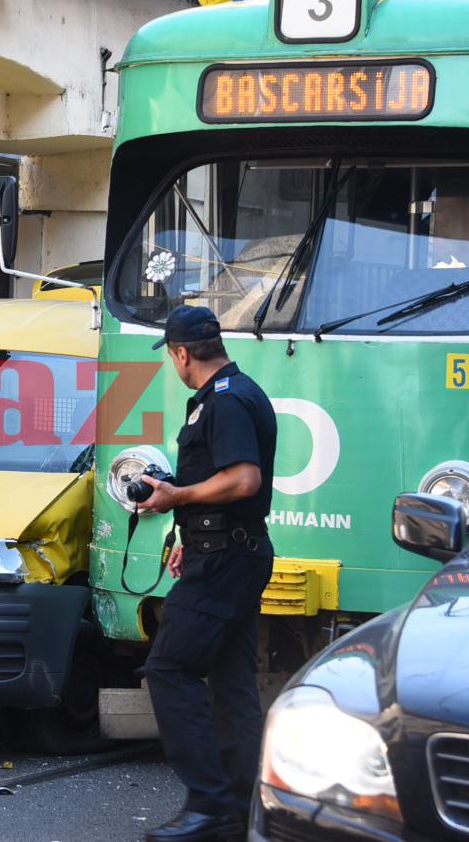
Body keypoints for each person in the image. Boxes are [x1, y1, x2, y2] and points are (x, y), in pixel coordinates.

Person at [135, 305, 277, 842]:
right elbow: (223, 483)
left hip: (225, 560)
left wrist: (179, 496)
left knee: (169, 669)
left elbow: (242, 480)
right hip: (223, 551)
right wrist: (187, 530)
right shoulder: (234, 394)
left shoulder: (227, 401)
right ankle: (244, 808)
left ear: (181, 353)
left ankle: (211, 805)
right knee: (232, 686)